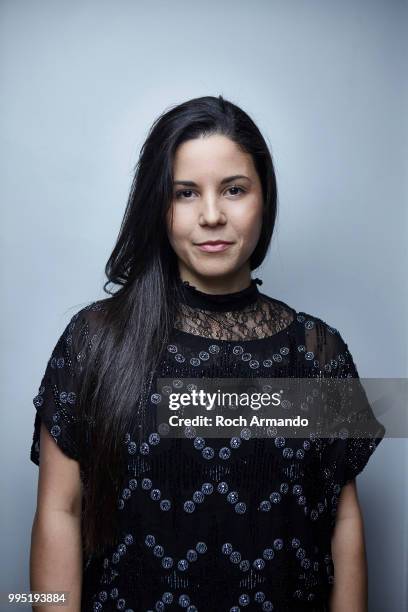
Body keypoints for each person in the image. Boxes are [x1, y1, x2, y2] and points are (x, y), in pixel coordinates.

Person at [29, 95, 385, 612]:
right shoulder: (96, 341)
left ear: (265, 197)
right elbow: (60, 511)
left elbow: (343, 520)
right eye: (185, 193)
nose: (212, 215)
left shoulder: (315, 351)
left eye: (234, 189)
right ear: (159, 205)